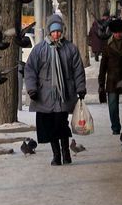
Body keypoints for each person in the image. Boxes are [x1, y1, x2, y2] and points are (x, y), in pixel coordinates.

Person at [24, 13, 86, 166]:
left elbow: (78, 70)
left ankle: (66, 152)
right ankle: (56, 155)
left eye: (59, 31)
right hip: (45, 96)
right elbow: (30, 70)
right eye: (54, 31)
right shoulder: (39, 50)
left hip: (64, 95)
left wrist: (81, 88)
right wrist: (32, 89)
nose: (56, 34)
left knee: (61, 124)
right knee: (50, 127)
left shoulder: (70, 49)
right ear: (49, 32)